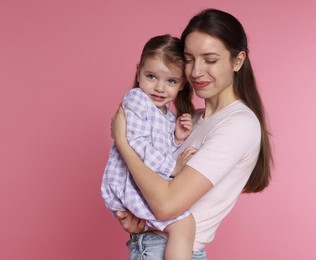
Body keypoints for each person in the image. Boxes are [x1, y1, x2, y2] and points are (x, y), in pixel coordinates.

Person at [111, 8, 273, 260]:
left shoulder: (238, 124)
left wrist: (122, 143)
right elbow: (156, 184)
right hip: (147, 246)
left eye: (210, 60)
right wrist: (140, 218)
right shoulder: (191, 120)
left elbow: (166, 205)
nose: (196, 71)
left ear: (237, 61)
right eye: (189, 59)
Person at [101, 34, 196, 260]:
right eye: (151, 76)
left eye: (171, 81)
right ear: (138, 71)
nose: (160, 88)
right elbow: (137, 143)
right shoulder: (136, 100)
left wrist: (177, 138)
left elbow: (160, 146)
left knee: (178, 225)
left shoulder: (167, 115)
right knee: (183, 225)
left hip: (144, 182)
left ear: (182, 84)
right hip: (128, 182)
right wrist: (172, 168)